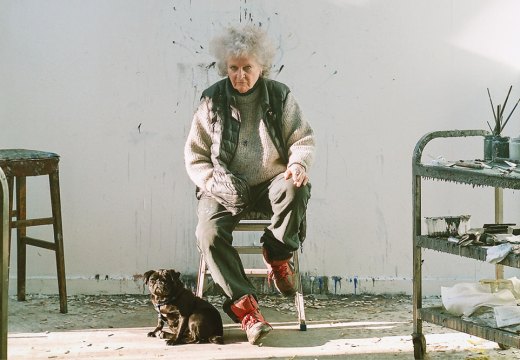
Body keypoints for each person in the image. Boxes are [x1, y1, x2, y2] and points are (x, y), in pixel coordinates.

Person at [184, 24, 315, 345]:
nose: (240, 75)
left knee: (296, 187)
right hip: (223, 183)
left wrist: (297, 164)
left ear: (261, 67)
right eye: (233, 68)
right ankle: (247, 312)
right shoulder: (211, 99)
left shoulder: (279, 95)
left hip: (270, 181)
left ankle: (278, 253)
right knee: (208, 234)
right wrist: (211, 182)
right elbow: (195, 155)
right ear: (224, 67)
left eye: (247, 68)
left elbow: (303, 139)